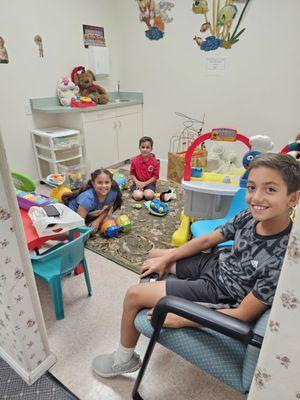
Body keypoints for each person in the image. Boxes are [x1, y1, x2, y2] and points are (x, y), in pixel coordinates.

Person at [92, 153, 300, 378]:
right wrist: (165, 259)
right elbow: (207, 240)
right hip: (216, 263)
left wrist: (183, 319)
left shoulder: (283, 258)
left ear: (292, 198)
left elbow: (243, 314)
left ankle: (123, 360)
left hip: (220, 290)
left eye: (270, 189)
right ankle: (159, 283)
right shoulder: (250, 217)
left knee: (134, 295)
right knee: (153, 256)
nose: (256, 198)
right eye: (251, 187)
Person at [62, 168, 122, 233]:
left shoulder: (113, 192)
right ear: (93, 184)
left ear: (111, 182)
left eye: (107, 182)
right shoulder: (87, 198)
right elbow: (79, 224)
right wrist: (88, 229)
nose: (104, 186)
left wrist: (97, 221)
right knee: (76, 234)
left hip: (89, 214)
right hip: (74, 217)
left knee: (110, 222)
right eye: (99, 183)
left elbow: (107, 209)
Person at [130, 136, 160, 201]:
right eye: (143, 147)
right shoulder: (135, 160)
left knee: (148, 196)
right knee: (138, 196)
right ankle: (135, 190)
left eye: (147, 147)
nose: (145, 149)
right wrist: (137, 182)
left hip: (149, 184)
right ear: (139, 148)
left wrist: (144, 184)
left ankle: (144, 191)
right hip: (137, 183)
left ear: (151, 149)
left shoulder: (155, 162)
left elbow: (155, 176)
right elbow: (132, 174)